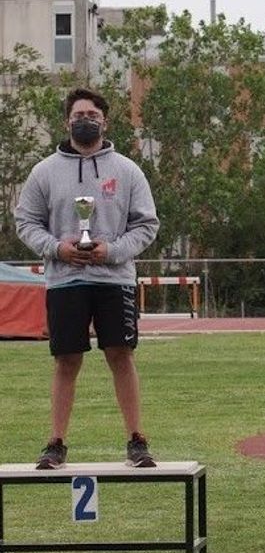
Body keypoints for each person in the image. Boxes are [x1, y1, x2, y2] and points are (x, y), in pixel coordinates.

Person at [15, 88, 160, 469]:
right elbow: (25, 221)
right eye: (78, 115)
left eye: (92, 115)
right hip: (65, 280)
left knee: (121, 355)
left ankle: (137, 440)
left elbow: (146, 225)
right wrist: (56, 248)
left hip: (115, 280)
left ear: (104, 122)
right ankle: (56, 443)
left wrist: (111, 251)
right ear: (67, 122)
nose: (85, 121)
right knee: (66, 360)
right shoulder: (44, 172)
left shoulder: (127, 170)